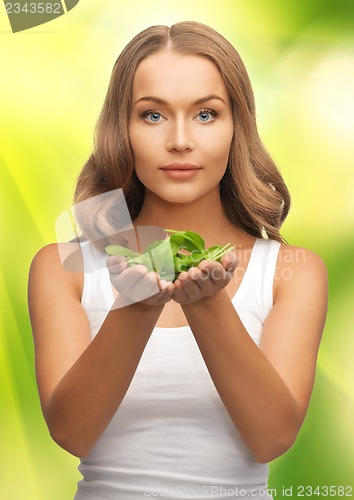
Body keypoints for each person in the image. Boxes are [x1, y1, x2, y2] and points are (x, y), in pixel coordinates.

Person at [28, 21, 328, 499]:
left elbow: (272, 438)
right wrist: (139, 304)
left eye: (206, 115)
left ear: (238, 128)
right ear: (120, 130)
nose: (181, 140)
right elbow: (71, 433)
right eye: (153, 116)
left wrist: (206, 304)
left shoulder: (292, 273)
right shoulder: (62, 268)